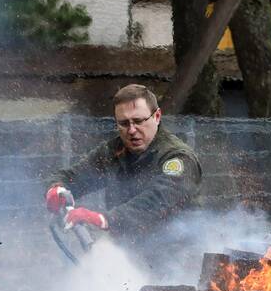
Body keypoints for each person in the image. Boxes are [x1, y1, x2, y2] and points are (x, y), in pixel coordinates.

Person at [45, 84, 202, 259]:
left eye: (139, 121)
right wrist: (56, 189)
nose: (132, 130)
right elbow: (74, 176)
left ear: (157, 116)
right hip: (129, 254)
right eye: (124, 123)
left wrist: (105, 219)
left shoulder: (177, 158)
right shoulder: (113, 152)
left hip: (178, 259)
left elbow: (156, 201)